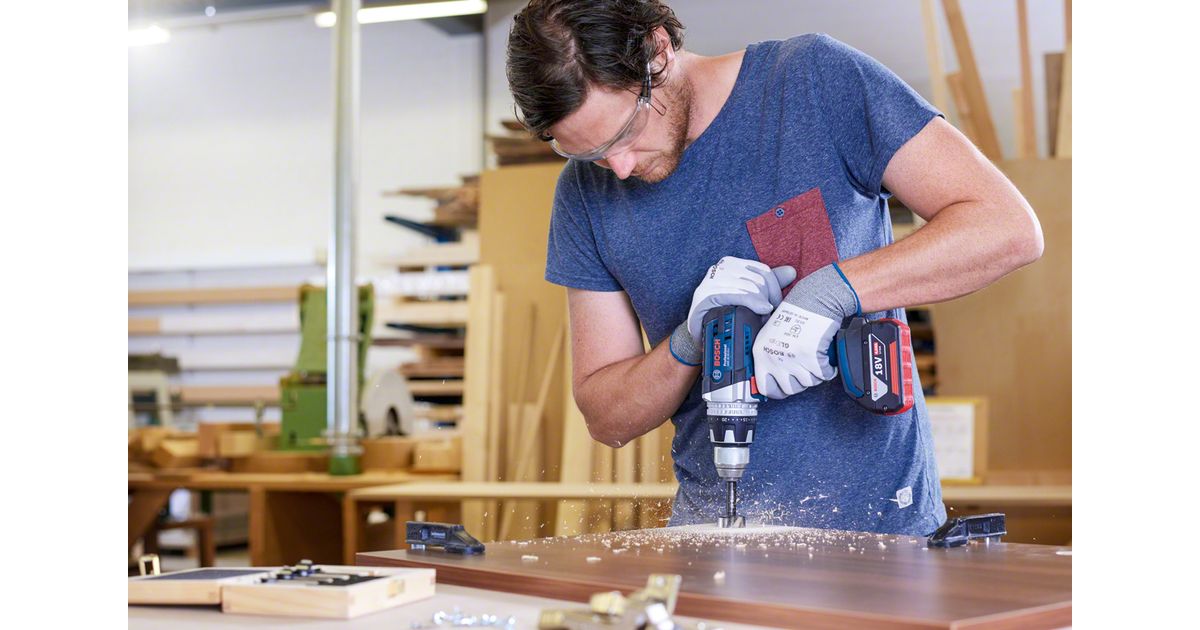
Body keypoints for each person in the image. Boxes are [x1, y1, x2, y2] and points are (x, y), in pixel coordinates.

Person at [505, 0, 1043, 535]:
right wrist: (689, 341)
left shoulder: (812, 81)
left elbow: (1005, 226)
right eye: (591, 153)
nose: (619, 168)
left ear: (657, 51)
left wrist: (829, 293)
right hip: (716, 534)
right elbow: (607, 417)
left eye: (625, 132)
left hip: (884, 530)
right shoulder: (584, 195)